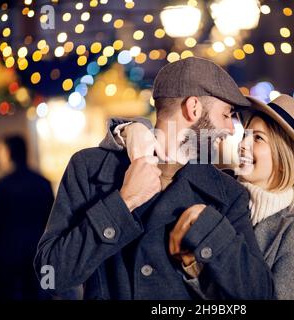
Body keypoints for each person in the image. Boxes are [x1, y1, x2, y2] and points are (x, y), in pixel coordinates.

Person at [34, 57, 276, 299]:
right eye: (226, 114)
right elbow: (51, 275)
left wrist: (210, 230)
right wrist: (123, 202)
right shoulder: (90, 168)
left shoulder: (227, 193)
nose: (232, 129)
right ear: (194, 108)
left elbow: (261, 294)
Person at [106, 94, 294, 299]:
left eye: (258, 139)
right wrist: (132, 128)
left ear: (285, 160)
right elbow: (170, 144)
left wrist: (195, 269)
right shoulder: (216, 189)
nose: (242, 145)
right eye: (245, 135)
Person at [0, 134, 54, 299]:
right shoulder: (42, 182)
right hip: (37, 252)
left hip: (6, 254)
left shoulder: (1, 181)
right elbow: (53, 221)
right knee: (37, 294)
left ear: (6, 153)